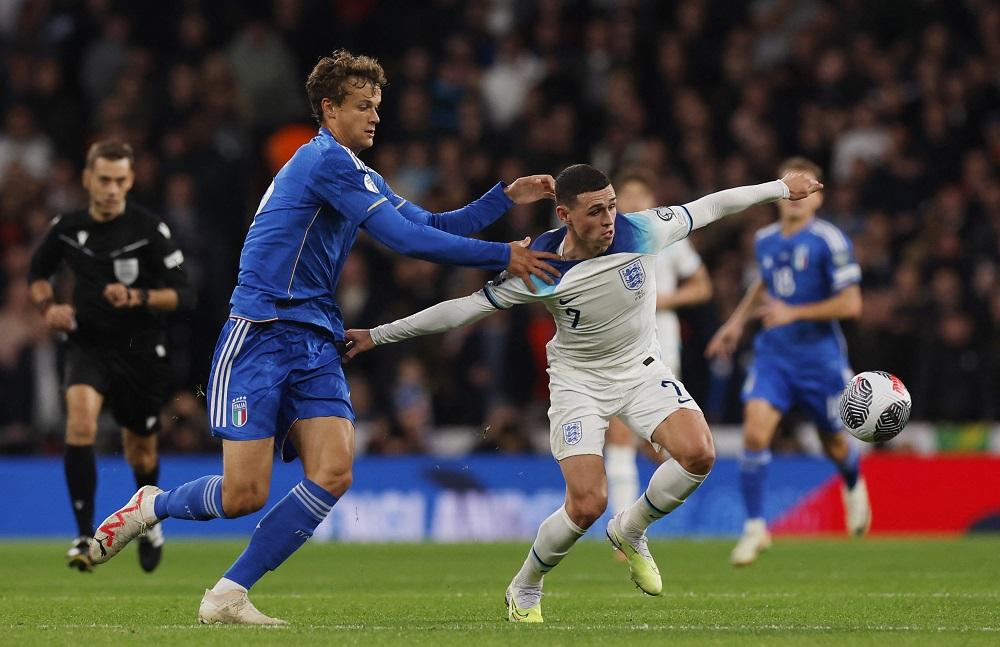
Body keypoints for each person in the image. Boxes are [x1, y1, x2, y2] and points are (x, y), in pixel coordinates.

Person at [85, 50, 560, 625]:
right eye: (363, 106)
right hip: (262, 332)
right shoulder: (322, 162)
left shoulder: (358, 172)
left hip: (315, 337)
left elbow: (429, 225)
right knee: (243, 495)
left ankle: (228, 594)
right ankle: (152, 505)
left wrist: (502, 199)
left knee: (334, 471)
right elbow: (405, 242)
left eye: (377, 105)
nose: (375, 116)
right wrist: (503, 255)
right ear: (329, 109)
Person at [343, 164, 823, 622]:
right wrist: (378, 335)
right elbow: (462, 309)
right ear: (565, 215)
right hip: (579, 384)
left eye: (611, 206)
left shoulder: (643, 230)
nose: (609, 218)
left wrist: (781, 188)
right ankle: (525, 586)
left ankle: (631, 528)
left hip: (640, 369)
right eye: (596, 211)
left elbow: (713, 205)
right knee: (587, 504)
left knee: (699, 454)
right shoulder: (541, 266)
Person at [27, 140, 195, 574]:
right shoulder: (68, 227)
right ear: (88, 179)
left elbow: (184, 293)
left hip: (140, 351)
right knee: (80, 422)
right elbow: (38, 272)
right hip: (88, 344)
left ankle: (149, 520)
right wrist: (49, 307)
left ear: (131, 180)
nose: (111, 189)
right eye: (104, 179)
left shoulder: (149, 229)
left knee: (140, 453)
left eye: (120, 180)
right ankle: (84, 535)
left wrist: (138, 296)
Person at [705, 157, 867, 567]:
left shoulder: (829, 241)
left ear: (818, 198)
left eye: (808, 189)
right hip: (774, 356)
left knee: (833, 442)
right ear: (778, 194)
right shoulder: (765, 240)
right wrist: (736, 322)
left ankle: (852, 481)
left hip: (820, 360)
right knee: (755, 433)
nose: (797, 197)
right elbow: (765, 283)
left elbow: (852, 304)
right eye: (791, 187)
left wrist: (794, 312)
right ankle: (755, 528)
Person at [604, 168, 712, 536]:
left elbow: (702, 286)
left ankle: (644, 514)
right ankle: (623, 531)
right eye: (627, 194)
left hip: (662, 347)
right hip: (620, 348)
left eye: (641, 194)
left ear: (653, 201)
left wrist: (665, 300)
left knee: (663, 447)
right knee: (620, 435)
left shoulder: (668, 237)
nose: (634, 200)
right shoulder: (603, 239)